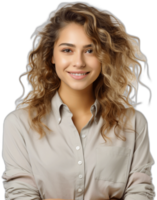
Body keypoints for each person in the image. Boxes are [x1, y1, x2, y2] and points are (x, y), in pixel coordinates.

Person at [1, 2, 155, 200]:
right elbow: (20, 193)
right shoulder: (19, 124)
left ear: (104, 57)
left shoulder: (133, 123)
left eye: (90, 50)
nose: (79, 62)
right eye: (67, 50)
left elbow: (139, 190)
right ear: (51, 55)